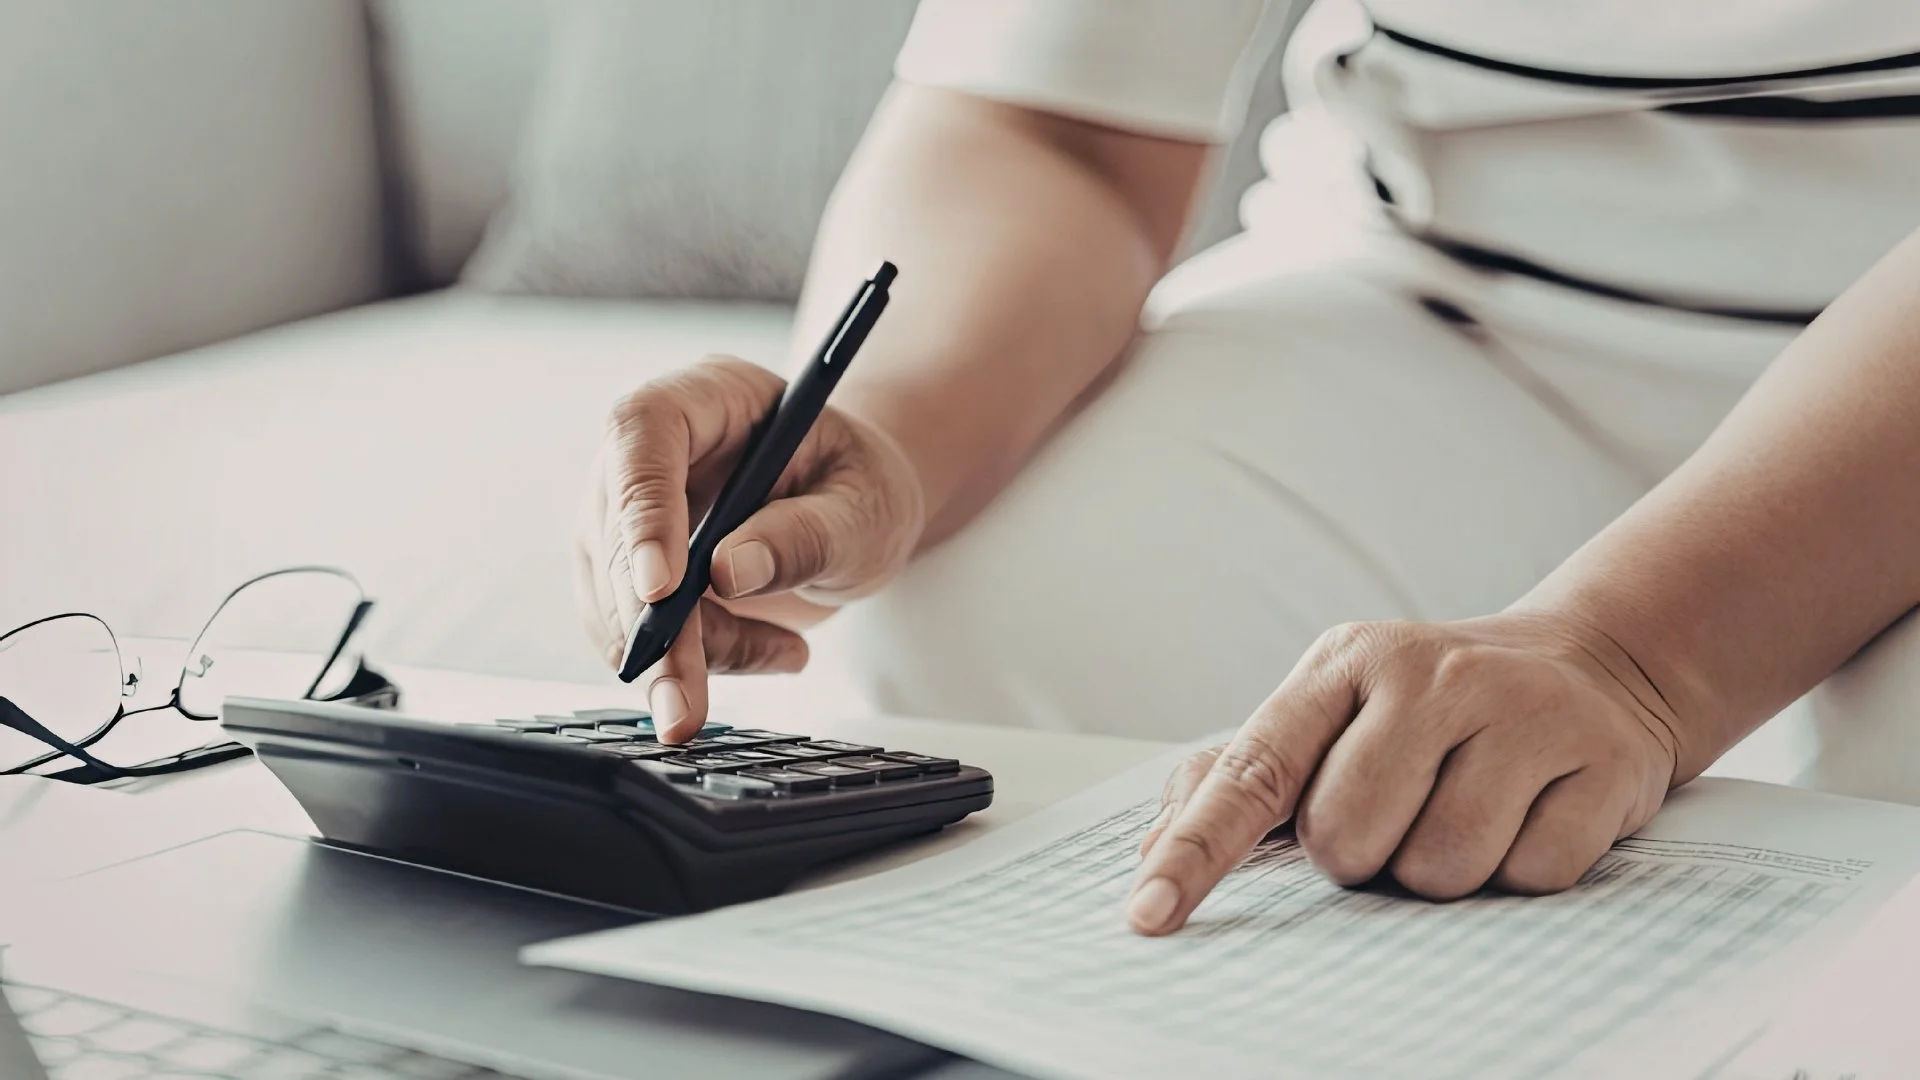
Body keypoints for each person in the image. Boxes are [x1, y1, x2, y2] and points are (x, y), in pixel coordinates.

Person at [573, 0, 1920, 935]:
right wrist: (892, 439)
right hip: (1436, 297)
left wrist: (1639, 657)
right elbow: (1059, 131)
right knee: (984, 614)